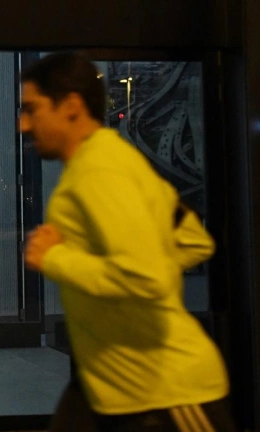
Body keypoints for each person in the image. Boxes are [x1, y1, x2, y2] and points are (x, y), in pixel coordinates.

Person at [20, 52, 237, 432]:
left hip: (165, 394)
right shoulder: (114, 159)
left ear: (71, 106)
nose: (23, 124)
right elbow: (191, 240)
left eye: (31, 109)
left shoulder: (100, 171)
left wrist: (56, 258)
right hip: (108, 382)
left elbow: (146, 277)